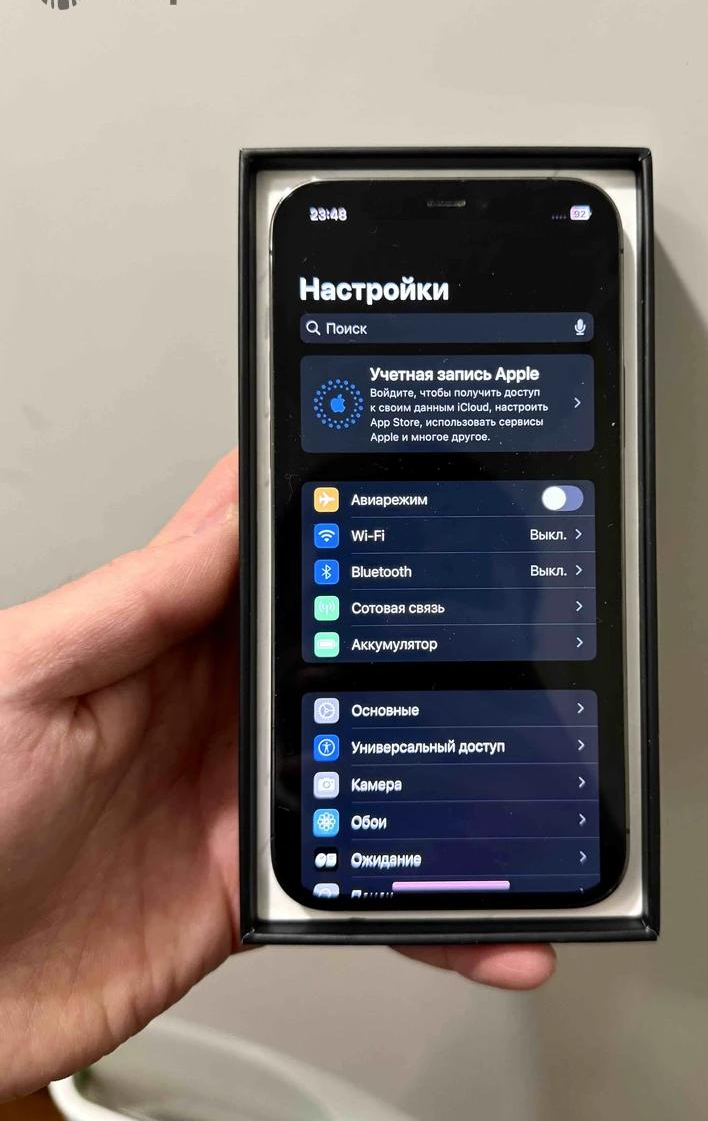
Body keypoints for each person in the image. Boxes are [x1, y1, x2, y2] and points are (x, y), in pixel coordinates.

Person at [0, 452, 555, 1100]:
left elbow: (565, 833)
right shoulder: (255, 729)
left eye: (464, 583)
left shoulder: (546, 762)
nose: (412, 619)